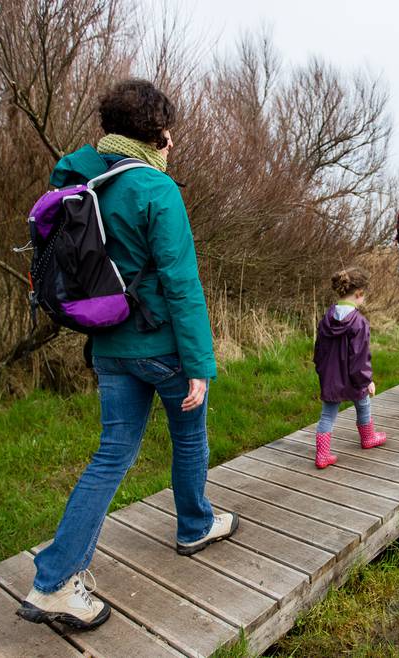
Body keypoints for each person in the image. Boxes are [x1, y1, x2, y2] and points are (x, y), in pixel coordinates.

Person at [17, 79, 236, 631]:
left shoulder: (80, 177)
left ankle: (53, 581)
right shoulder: (155, 188)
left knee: (111, 454)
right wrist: (200, 366)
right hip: (163, 347)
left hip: (110, 344)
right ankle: (194, 524)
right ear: (159, 132)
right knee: (189, 435)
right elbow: (182, 283)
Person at [312, 267, 386, 469]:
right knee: (363, 405)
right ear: (359, 294)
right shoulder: (359, 322)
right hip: (354, 378)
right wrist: (366, 381)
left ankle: (322, 455)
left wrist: (322, 370)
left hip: (331, 377)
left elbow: (318, 349)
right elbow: (360, 357)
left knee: (327, 414)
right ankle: (368, 437)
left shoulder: (327, 318)